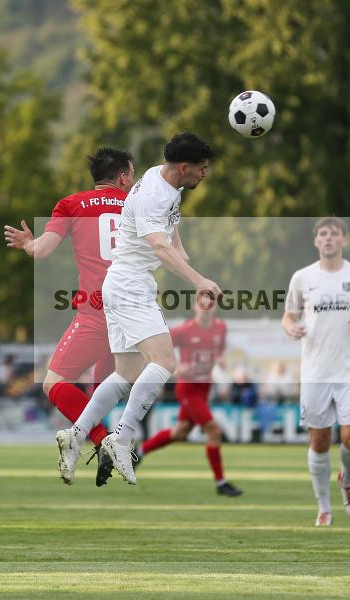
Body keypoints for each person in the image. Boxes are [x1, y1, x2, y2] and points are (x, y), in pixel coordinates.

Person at [56, 132, 221, 486]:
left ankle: (77, 433)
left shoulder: (160, 177)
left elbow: (171, 235)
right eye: (202, 169)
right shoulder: (153, 196)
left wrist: (185, 257)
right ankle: (123, 436)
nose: (204, 175)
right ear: (184, 167)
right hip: (131, 285)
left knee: (127, 373)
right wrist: (198, 280)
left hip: (123, 282)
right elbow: (159, 247)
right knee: (165, 362)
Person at [5, 146, 135, 485]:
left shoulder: (72, 204)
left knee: (55, 383)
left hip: (97, 311)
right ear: (122, 177)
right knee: (101, 389)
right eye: (131, 174)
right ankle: (111, 440)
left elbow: (43, 251)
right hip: (135, 313)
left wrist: (29, 244)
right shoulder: (138, 205)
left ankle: (101, 440)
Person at [282, 217, 350, 527]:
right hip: (316, 372)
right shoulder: (302, 277)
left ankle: (347, 481)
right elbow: (288, 317)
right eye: (322, 234)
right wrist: (292, 329)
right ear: (316, 241)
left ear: (344, 240)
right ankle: (324, 507)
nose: (327, 238)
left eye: (333, 233)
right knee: (320, 441)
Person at [134, 296, 242, 496]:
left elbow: (218, 352)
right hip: (187, 389)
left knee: (180, 433)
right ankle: (221, 483)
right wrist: (175, 366)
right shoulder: (184, 331)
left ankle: (139, 452)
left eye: (210, 304)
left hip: (204, 388)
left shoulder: (220, 329)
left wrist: (220, 360)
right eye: (202, 304)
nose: (206, 308)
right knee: (214, 431)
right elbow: (161, 348)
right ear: (195, 306)